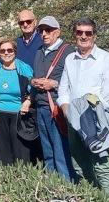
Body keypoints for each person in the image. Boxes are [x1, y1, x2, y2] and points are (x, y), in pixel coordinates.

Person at [58, 18, 109, 199]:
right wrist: (66, 110)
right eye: (79, 32)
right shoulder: (70, 59)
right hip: (73, 121)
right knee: (79, 166)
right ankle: (88, 197)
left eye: (88, 33)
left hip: (97, 122)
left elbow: (108, 96)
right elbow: (64, 88)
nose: (83, 36)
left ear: (94, 36)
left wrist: (85, 114)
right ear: (75, 34)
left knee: (103, 169)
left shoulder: (106, 59)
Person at [31, 16, 76, 180]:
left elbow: (75, 81)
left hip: (56, 108)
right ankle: (52, 186)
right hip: (41, 107)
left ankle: (67, 187)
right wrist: (34, 81)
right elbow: (36, 75)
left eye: (48, 30)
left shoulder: (68, 52)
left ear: (57, 32)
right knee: (48, 152)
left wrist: (54, 84)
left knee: (61, 152)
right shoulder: (39, 52)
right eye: (41, 31)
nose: (44, 34)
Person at [0, 39, 33, 165]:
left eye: (9, 50)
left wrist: (27, 102)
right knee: (4, 149)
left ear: (15, 52)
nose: (6, 53)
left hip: (18, 115)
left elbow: (33, 90)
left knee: (20, 150)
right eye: (3, 51)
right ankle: (8, 179)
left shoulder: (24, 69)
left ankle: (23, 179)